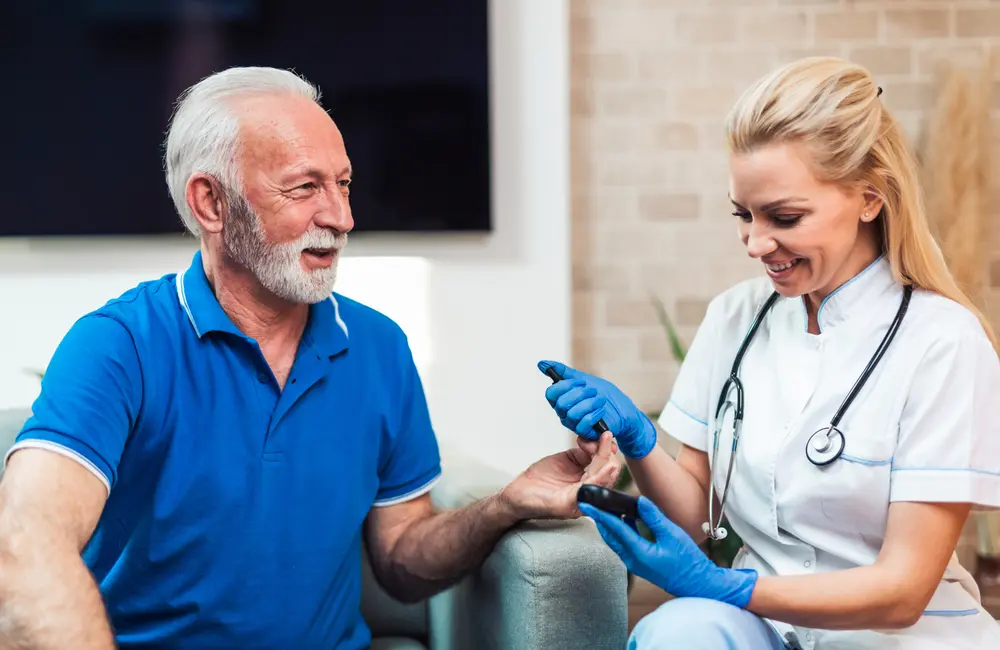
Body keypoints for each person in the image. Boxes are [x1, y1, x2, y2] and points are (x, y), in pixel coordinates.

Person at [0, 66, 621, 649]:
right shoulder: (119, 345)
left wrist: (506, 504)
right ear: (211, 204)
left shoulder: (379, 347)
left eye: (344, 183)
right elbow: (26, 538)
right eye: (304, 188)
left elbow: (402, 558)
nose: (342, 217)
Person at [541, 57, 1000, 649]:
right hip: (766, 627)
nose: (757, 243)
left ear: (869, 197)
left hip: (901, 638)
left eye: (785, 217)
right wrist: (640, 440)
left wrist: (729, 587)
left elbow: (903, 591)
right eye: (744, 214)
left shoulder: (943, 342)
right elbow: (701, 526)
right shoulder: (735, 316)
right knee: (680, 634)